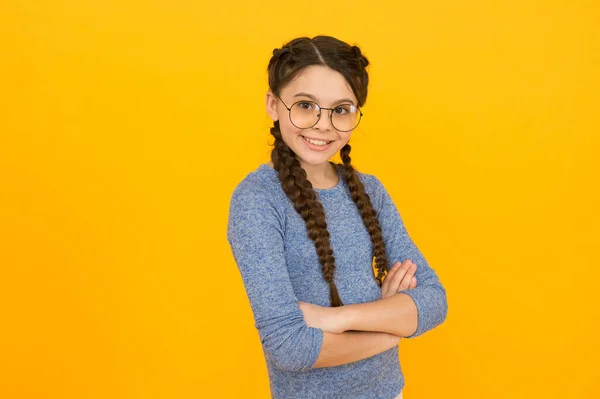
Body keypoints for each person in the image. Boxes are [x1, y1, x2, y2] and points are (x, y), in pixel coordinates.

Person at [226, 35, 448, 399]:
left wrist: (338, 319)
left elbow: (435, 301)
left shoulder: (370, 190)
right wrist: (394, 324)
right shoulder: (258, 201)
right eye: (304, 105)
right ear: (273, 104)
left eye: (341, 109)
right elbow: (291, 348)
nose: (323, 125)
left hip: (390, 393)